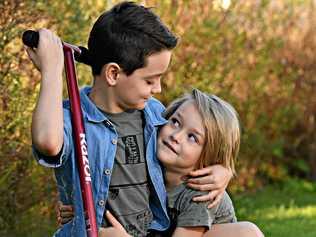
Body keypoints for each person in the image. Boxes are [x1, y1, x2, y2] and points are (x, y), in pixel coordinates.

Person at [25, 1, 232, 237]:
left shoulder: (153, 113)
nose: (158, 89)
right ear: (113, 73)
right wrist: (52, 70)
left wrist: (223, 170)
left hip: (150, 232)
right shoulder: (74, 120)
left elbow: (189, 149)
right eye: (150, 80)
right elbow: (48, 142)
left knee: (246, 232)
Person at [59, 89, 264, 237]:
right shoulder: (148, 164)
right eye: (175, 122)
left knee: (247, 233)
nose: (176, 136)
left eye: (193, 137)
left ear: (209, 156)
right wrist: (83, 209)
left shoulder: (200, 193)